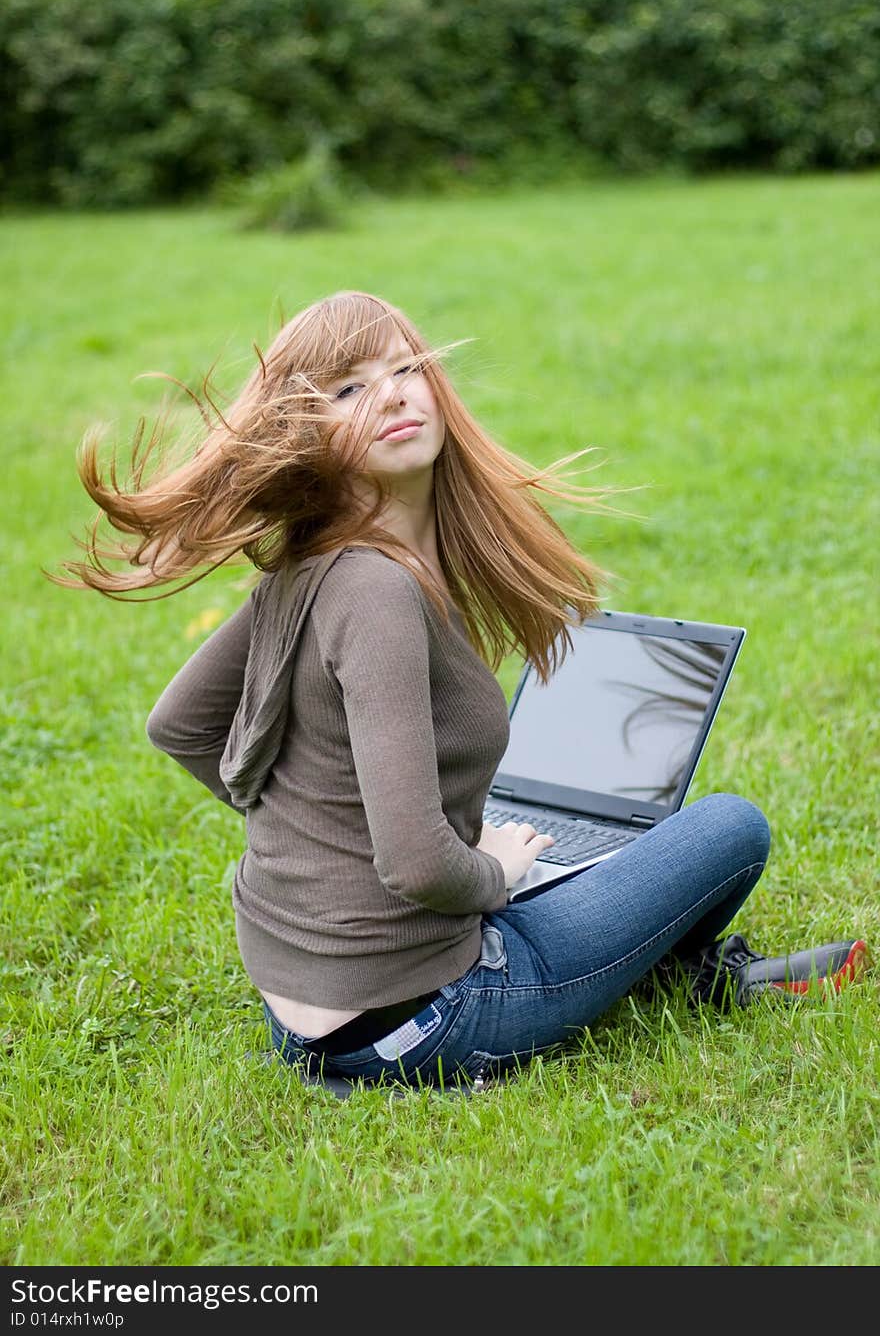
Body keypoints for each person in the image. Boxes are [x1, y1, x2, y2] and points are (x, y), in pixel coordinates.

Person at [53, 290, 869, 1093]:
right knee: (731, 825)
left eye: (407, 366)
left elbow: (179, 726)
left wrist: (322, 843)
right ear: (304, 432)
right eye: (349, 388)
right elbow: (415, 862)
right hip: (429, 1018)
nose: (396, 391)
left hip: (303, 1014)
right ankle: (691, 975)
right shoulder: (376, 592)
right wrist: (491, 874)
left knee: (596, 867)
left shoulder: (311, 568)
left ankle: (666, 965)